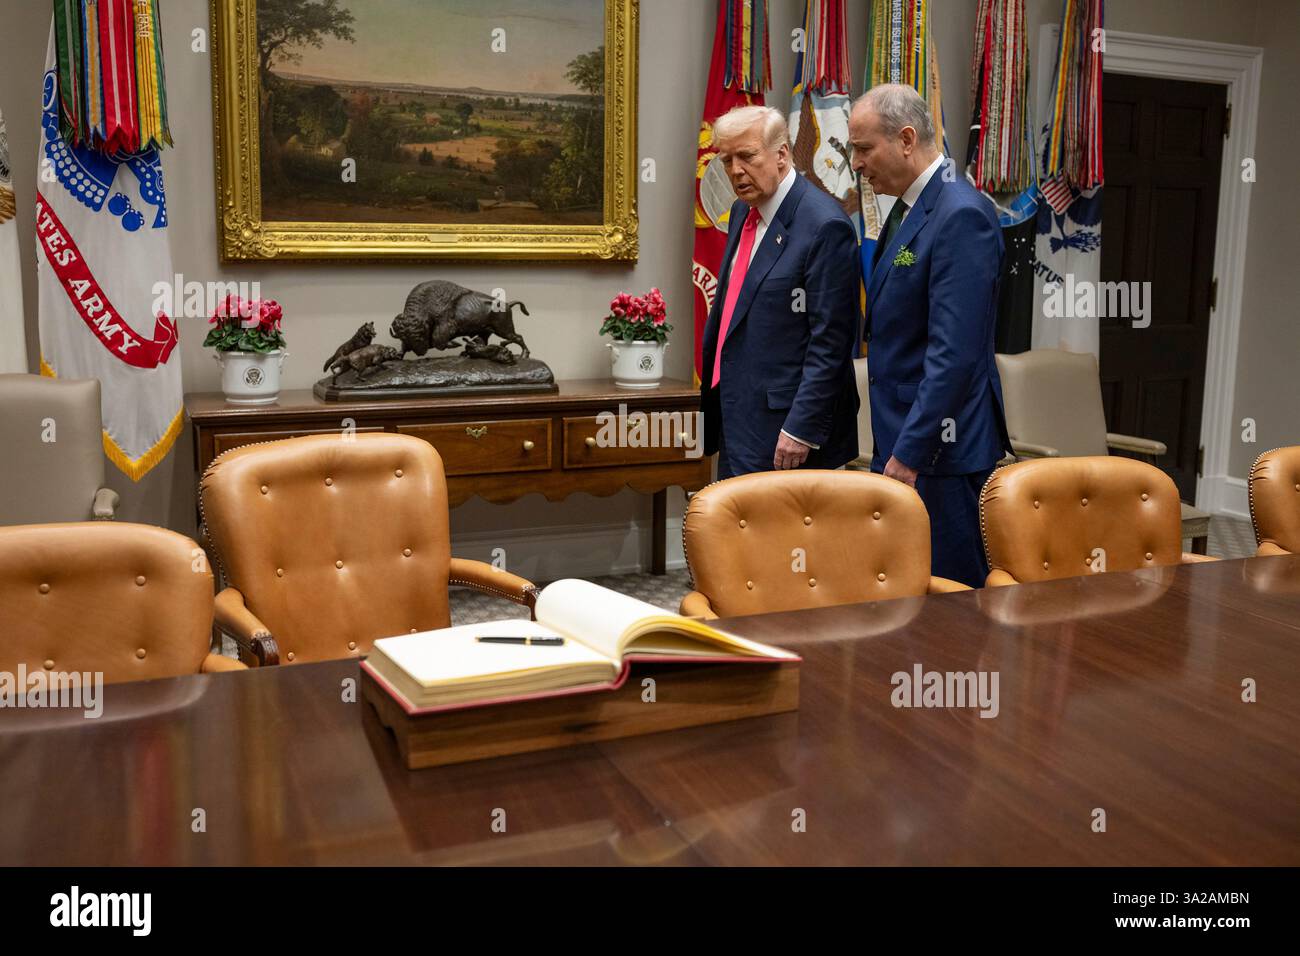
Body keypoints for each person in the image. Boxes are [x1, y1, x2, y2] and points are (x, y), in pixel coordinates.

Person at [849, 84, 1012, 587]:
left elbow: (954, 354)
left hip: (940, 452)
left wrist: (910, 452)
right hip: (903, 438)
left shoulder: (960, 213)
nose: (855, 163)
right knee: (904, 596)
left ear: (904, 139)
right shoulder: (909, 208)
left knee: (952, 607)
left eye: (863, 148)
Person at [700, 105, 860, 478]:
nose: (736, 171)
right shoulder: (744, 211)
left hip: (788, 435)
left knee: (788, 538)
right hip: (737, 417)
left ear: (782, 155)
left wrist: (801, 428)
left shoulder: (824, 226)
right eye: (727, 160)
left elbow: (831, 342)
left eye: (747, 156)